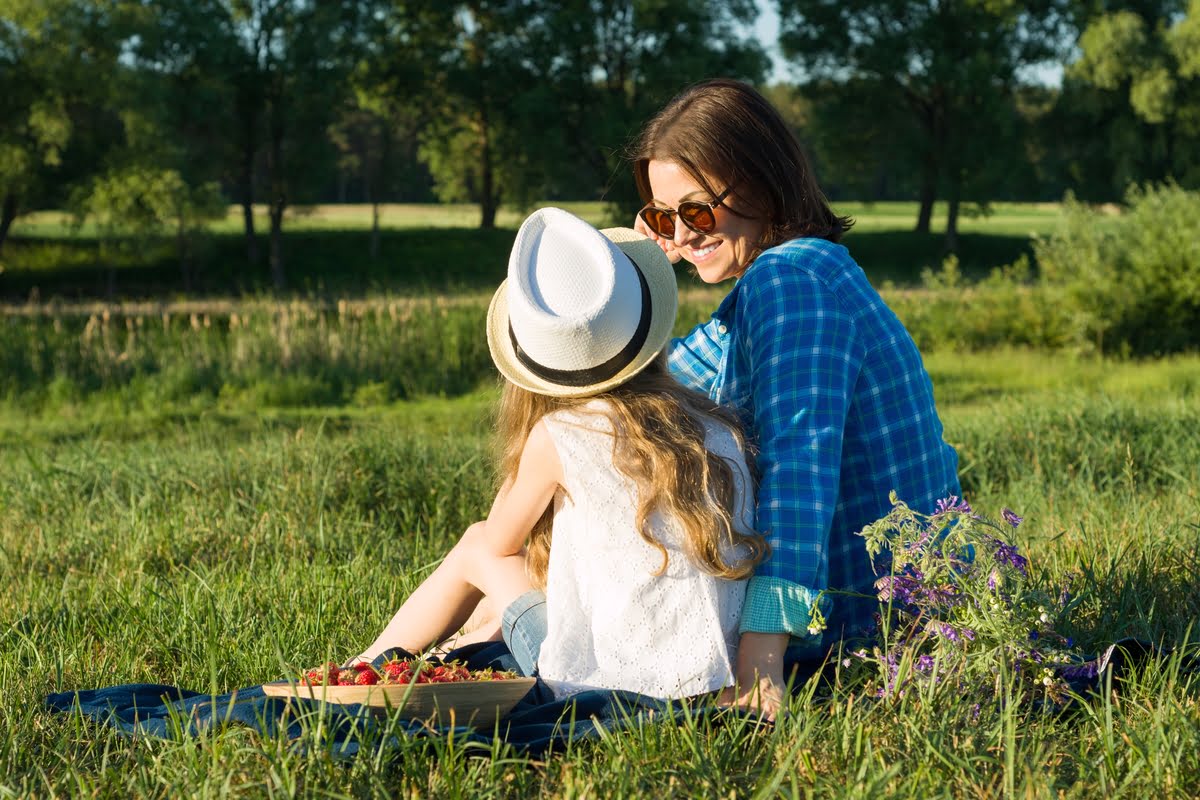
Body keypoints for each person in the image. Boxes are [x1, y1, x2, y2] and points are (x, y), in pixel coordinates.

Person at [631, 78, 961, 716]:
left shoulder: (792, 284)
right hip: (878, 611)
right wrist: (645, 262)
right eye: (662, 215)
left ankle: (423, 666)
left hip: (879, 625)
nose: (683, 230)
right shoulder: (771, 286)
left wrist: (758, 666)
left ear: (759, 182)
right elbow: (646, 391)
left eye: (697, 209)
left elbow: (799, 477)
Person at [353, 207, 768, 701]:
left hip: (602, 682)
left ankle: (359, 669)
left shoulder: (562, 432)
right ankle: (439, 649)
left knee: (475, 544)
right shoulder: (718, 426)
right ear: (647, 331)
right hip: (714, 674)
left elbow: (498, 545)